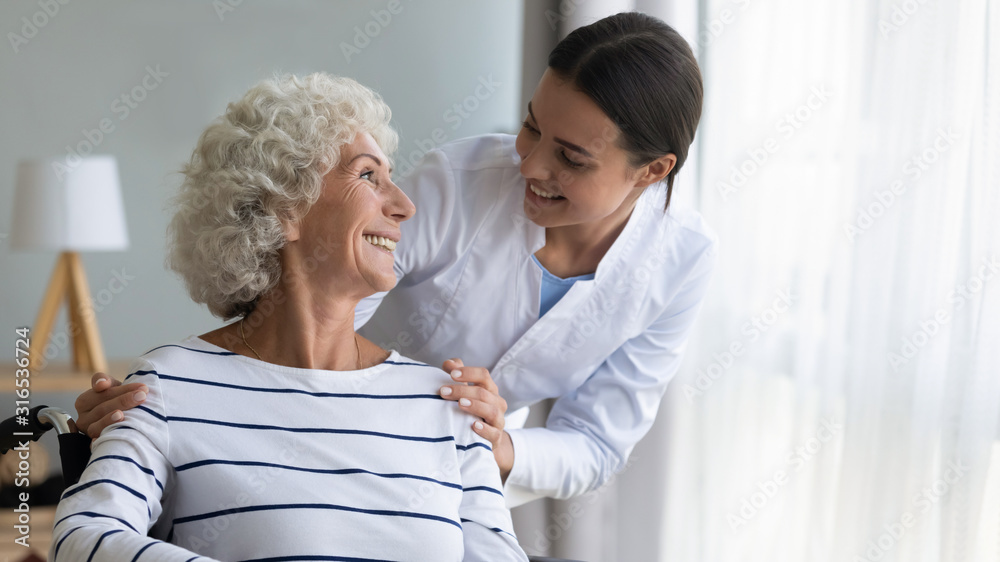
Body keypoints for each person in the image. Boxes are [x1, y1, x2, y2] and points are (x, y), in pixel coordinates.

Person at [75, 12, 716, 508]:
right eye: (531, 127)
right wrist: (175, 403)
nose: (529, 163)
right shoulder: (461, 182)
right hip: (312, 428)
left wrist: (501, 446)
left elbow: (598, 444)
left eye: (570, 158)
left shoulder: (681, 262)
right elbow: (320, 310)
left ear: (653, 172)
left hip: (458, 481)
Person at [51, 73, 527, 561]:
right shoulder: (172, 387)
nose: (404, 205)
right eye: (368, 175)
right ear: (283, 207)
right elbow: (82, 538)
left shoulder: (445, 404)